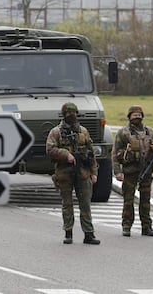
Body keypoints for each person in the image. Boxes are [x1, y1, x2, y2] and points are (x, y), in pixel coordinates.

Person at [46, 102, 100, 245]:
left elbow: (91, 153)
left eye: (74, 112)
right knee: (67, 204)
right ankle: (68, 232)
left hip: (83, 172)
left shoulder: (83, 131)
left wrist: (94, 172)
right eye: (69, 113)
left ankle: (89, 234)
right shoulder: (55, 132)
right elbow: (50, 149)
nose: (72, 115)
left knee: (85, 204)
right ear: (64, 114)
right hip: (64, 173)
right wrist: (65, 155)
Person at [112, 105, 153, 237]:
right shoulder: (123, 133)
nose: (137, 116)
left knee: (145, 200)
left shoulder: (149, 132)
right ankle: (126, 226)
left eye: (139, 114)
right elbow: (115, 153)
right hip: (130, 172)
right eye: (134, 114)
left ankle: (146, 227)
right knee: (128, 200)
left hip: (146, 171)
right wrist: (117, 171)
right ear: (129, 116)